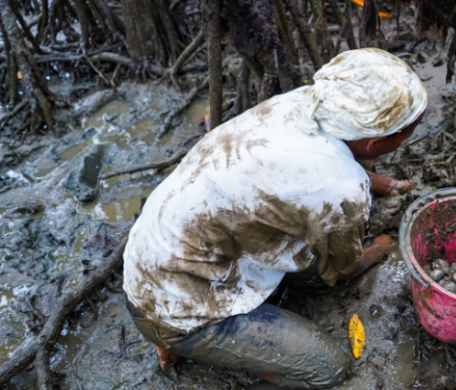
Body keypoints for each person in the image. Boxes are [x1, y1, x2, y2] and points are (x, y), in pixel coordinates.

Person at [123, 48, 427, 389]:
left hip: (149, 258)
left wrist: (380, 184)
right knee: (329, 369)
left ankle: (172, 341)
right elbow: (342, 267)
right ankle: (185, 342)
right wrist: (378, 250)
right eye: (406, 133)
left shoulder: (302, 103)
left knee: (302, 251)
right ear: (374, 143)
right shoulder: (344, 188)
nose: (406, 139)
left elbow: (316, 167)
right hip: (179, 308)